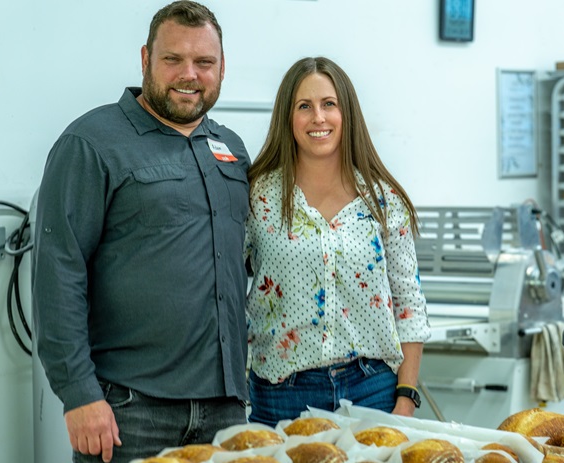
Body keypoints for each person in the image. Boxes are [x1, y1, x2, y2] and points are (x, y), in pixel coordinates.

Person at [32, 2, 250, 462]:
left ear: (222, 68)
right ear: (146, 58)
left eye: (204, 62)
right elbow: (58, 273)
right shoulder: (91, 143)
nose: (189, 74)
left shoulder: (231, 149)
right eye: (173, 59)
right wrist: (78, 393)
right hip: (129, 412)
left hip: (226, 412)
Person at [244, 57, 430, 427]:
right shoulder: (257, 196)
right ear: (287, 116)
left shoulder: (383, 200)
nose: (318, 118)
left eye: (329, 104)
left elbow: (409, 305)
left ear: (346, 113)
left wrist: (406, 399)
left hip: (371, 390)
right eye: (304, 106)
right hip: (281, 393)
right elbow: (225, 292)